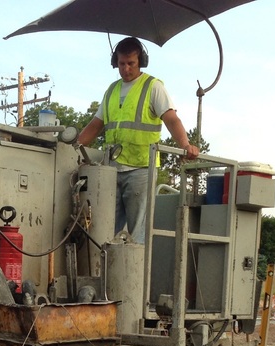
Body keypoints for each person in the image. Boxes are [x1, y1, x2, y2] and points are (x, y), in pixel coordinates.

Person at [76, 37, 200, 244]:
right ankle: (108, 274)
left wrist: (185, 145)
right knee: (106, 229)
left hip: (141, 168)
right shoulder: (112, 90)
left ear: (141, 61)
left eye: (131, 63)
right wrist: (73, 147)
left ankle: (134, 276)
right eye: (122, 63)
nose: (126, 69)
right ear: (115, 62)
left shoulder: (153, 86)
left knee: (137, 232)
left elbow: (171, 118)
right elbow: (95, 125)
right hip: (112, 169)